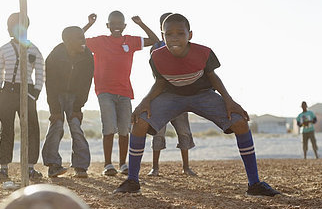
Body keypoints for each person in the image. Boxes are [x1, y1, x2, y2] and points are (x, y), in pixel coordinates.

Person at [114, 13, 280, 197]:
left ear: (190, 35)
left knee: (240, 121)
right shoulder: (156, 57)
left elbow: (212, 77)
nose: (174, 38)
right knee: (140, 121)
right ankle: (132, 180)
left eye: (180, 33)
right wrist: (144, 102)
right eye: (169, 34)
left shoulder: (204, 52)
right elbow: (160, 82)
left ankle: (254, 183)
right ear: (162, 37)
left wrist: (229, 101)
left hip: (202, 95)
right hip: (172, 95)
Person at [82, 11, 159, 176]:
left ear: (124, 26)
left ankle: (123, 164)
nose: (116, 27)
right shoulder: (100, 41)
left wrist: (141, 23)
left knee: (125, 130)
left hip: (124, 92)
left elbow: (155, 40)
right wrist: (89, 24)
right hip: (105, 91)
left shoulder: (130, 41)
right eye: (113, 24)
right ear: (107, 25)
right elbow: (76, 39)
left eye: (119, 24)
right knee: (109, 127)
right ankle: (108, 164)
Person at [0, 13, 44, 181]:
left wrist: (35, 93)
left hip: (27, 91)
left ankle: (30, 167)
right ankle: (3, 168)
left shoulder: (34, 49)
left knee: (31, 129)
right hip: (7, 90)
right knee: (6, 129)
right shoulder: (4, 49)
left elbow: (40, 72)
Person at [42, 26, 94, 178]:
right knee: (57, 126)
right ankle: (53, 166)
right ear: (68, 41)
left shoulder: (87, 55)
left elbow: (86, 82)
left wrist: (78, 106)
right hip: (56, 95)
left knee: (76, 126)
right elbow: (50, 84)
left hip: (75, 96)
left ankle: (81, 166)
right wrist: (55, 110)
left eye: (83, 37)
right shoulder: (54, 56)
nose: (83, 41)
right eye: (79, 38)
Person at [149, 12, 196, 177]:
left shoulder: (185, 46)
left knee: (183, 131)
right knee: (158, 131)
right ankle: (155, 167)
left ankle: (186, 167)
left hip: (180, 94)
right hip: (162, 95)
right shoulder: (156, 47)